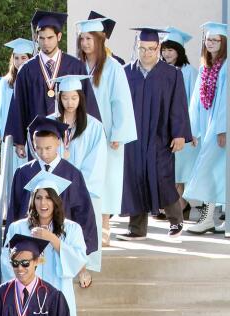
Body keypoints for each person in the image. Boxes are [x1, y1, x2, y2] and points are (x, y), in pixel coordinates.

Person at [2, 170, 88, 316]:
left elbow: (78, 261)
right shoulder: (18, 227)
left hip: (58, 294)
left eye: (49, 198)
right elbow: (6, 262)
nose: (43, 203)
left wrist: (54, 240)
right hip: (25, 295)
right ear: (32, 200)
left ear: (56, 201)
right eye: (39, 197)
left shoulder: (72, 229)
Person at [120, 28, 192, 240]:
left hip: (160, 136)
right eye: (142, 49)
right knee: (135, 179)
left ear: (158, 48)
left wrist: (179, 134)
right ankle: (137, 229)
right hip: (133, 137)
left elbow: (178, 106)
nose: (147, 53)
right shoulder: (126, 72)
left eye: (151, 49)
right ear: (137, 47)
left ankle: (176, 220)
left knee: (162, 178)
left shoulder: (171, 74)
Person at [4, 10, 100, 161]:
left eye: (50, 38)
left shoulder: (75, 66)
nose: (46, 43)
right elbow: (18, 105)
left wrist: (92, 134)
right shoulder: (27, 69)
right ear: (36, 38)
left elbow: (87, 101)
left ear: (59, 37)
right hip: (39, 139)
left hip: (71, 136)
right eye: (41, 38)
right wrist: (19, 140)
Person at [76, 17, 137, 246]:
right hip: (83, 132)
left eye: (89, 39)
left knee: (106, 181)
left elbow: (121, 102)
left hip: (108, 133)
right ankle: (83, 226)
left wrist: (119, 134)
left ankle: (104, 226)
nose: (85, 43)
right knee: (84, 179)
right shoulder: (77, 66)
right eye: (82, 38)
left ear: (100, 40)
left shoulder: (113, 68)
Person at [6, 115, 98, 258]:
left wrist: (82, 249)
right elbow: (15, 210)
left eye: (48, 148)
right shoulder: (23, 173)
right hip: (30, 245)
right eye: (38, 148)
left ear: (58, 143)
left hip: (63, 244)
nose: (43, 153)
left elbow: (83, 211)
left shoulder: (72, 174)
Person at [51, 74, 107, 284]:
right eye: (65, 98)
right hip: (55, 185)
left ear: (81, 98)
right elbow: (40, 150)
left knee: (83, 226)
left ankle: (84, 266)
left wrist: (76, 181)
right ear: (59, 98)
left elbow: (96, 159)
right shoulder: (50, 122)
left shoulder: (93, 126)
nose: (69, 103)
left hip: (82, 186)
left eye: (74, 98)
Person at [185, 22, 228, 234]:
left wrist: (222, 129)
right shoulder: (204, 67)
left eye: (215, 40)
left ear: (224, 43)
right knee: (212, 171)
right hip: (207, 123)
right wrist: (193, 129)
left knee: (211, 169)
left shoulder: (227, 66)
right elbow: (196, 100)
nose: (210, 43)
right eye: (208, 39)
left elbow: (226, 101)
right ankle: (210, 218)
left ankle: (210, 217)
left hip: (220, 126)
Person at [160, 28, 200, 216]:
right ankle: (173, 204)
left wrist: (189, 130)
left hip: (182, 126)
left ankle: (180, 203)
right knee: (168, 168)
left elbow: (193, 101)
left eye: (171, 50)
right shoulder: (160, 71)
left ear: (179, 51)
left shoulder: (189, 72)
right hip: (163, 128)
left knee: (180, 168)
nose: (166, 54)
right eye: (164, 49)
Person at [0, 39, 35, 180]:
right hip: (8, 131)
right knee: (10, 170)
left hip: (27, 131)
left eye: (23, 58)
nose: (19, 61)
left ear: (30, 58)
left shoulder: (34, 80)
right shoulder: (6, 82)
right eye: (16, 58)